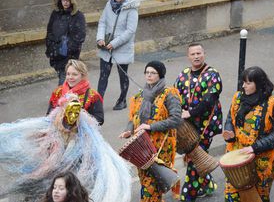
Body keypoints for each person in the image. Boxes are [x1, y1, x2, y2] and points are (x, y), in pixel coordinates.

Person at [0, 94, 131, 202]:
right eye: (70, 111)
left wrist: (82, 168)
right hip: (50, 167)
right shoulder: (52, 123)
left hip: (70, 171)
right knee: (39, 187)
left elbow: (92, 150)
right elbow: (32, 134)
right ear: (63, 110)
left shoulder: (84, 129)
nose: (73, 116)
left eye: (76, 112)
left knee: (66, 193)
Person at [223, 66, 274, 202]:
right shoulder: (238, 97)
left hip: (263, 160)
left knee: (258, 198)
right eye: (243, 82)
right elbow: (230, 118)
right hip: (238, 158)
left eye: (248, 83)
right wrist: (230, 132)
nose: (244, 86)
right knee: (231, 197)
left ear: (258, 84)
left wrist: (255, 147)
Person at [120, 60, 183, 201]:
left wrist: (150, 127)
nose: (149, 75)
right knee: (146, 182)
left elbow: (176, 120)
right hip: (142, 147)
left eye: (153, 73)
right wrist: (128, 130)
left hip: (161, 147)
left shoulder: (169, 94)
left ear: (160, 75)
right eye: (147, 72)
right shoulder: (141, 95)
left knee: (151, 185)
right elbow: (134, 117)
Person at [174, 43, 223, 201]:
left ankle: (188, 195)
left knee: (195, 158)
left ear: (204, 54)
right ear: (188, 56)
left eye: (199, 53)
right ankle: (208, 185)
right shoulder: (183, 75)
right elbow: (175, 96)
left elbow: (209, 100)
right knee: (197, 157)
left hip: (206, 125)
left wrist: (191, 112)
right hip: (187, 126)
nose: (196, 56)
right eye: (193, 54)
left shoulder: (213, 75)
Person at [96, 0, 139, 110]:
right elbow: (102, 22)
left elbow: (130, 31)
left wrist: (114, 43)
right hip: (106, 46)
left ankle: (122, 100)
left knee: (123, 75)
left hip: (122, 47)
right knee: (103, 75)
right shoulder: (109, 5)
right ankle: (97, 103)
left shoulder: (131, 9)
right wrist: (100, 38)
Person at [45, 0, 86, 86]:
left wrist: (68, 48)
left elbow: (80, 35)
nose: (65, 2)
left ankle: (62, 99)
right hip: (56, 52)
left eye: (68, 0)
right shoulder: (55, 14)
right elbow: (49, 31)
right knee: (63, 76)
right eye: (63, 0)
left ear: (72, 1)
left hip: (69, 54)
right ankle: (70, 96)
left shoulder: (78, 16)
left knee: (65, 77)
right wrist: (51, 45)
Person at [47, 59, 104, 125]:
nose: (70, 77)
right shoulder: (58, 92)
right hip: (60, 133)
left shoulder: (93, 95)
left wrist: (79, 117)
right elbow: (49, 114)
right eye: (68, 74)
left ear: (82, 76)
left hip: (83, 134)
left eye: (74, 74)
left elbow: (100, 119)